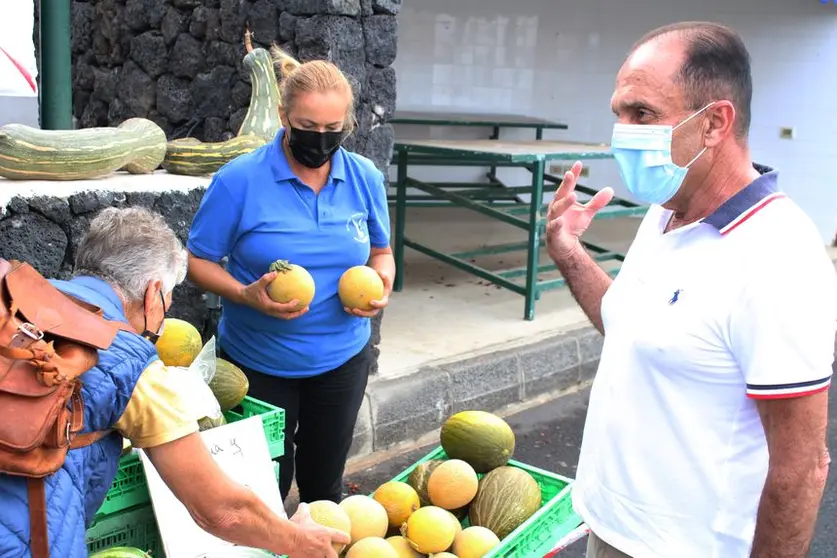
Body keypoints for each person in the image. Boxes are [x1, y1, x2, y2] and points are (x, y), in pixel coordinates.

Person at [546, 21, 836, 558]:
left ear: (715, 123)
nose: (622, 132)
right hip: (606, 529)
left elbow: (801, 468)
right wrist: (568, 253)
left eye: (643, 115)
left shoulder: (777, 254)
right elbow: (628, 324)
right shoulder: (664, 213)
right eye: (619, 113)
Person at [0, 207, 350, 557]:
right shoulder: (133, 368)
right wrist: (298, 539)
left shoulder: (16, 304)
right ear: (154, 295)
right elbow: (222, 511)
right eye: (166, 302)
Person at [186, 48, 394, 505]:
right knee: (263, 491)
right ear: (283, 115)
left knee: (324, 490)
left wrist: (381, 284)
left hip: (341, 361)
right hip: (258, 364)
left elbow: (382, 252)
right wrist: (244, 293)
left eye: (333, 129)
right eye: (307, 127)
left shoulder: (364, 177)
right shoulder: (239, 180)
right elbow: (196, 262)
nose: (320, 139)